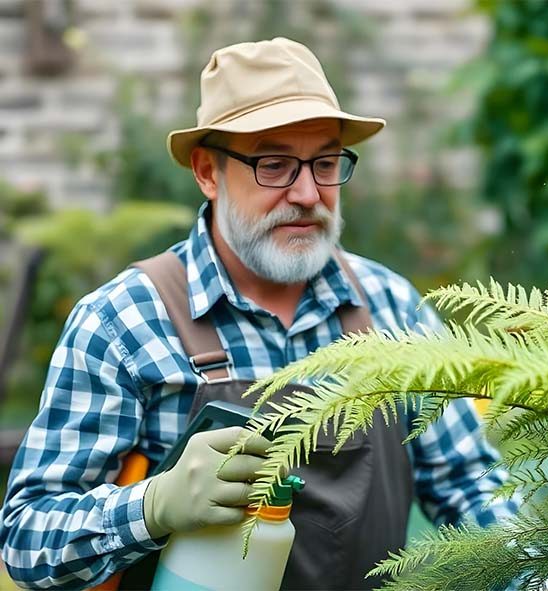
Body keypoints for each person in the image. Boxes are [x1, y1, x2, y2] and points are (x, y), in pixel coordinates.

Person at [0, 37, 517, 590]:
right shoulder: (123, 320)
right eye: (274, 164)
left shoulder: (392, 307)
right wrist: (151, 507)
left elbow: (469, 487)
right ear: (207, 171)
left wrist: (542, 577)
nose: (306, 193)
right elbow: (27, 542)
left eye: (325, 162)